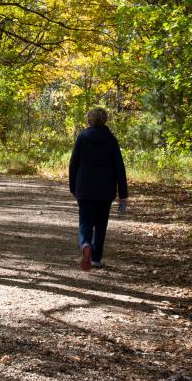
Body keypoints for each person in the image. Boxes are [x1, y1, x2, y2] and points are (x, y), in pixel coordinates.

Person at [69, 106, 128, 271]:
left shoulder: (82, 137)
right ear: (105, 120)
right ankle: (95, 258)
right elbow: (119, 167)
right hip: (105, 190)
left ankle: (85, 243)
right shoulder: (111, 139)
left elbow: (73, 164)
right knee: (101, 224)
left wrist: (73, 186)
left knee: (85, 221)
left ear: (90, 120)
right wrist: (123, 195)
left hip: (84, 188)